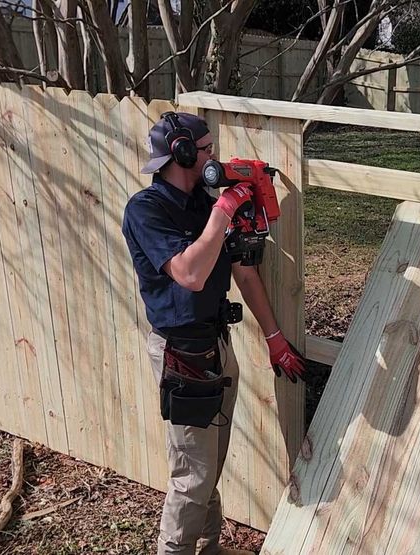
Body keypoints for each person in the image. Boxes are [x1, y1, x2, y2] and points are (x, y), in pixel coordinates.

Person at [121, 112, 306, 555]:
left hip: (217, 345)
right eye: (206, 149)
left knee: (211, 460)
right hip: (180, 353)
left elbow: (244, 273)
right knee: (193, 473)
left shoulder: (206, 203)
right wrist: (224, 212)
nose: (214, 157)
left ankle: (209, 546)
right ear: (181, 152)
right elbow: (188, 273)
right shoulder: (146, 210)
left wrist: (274, 337)